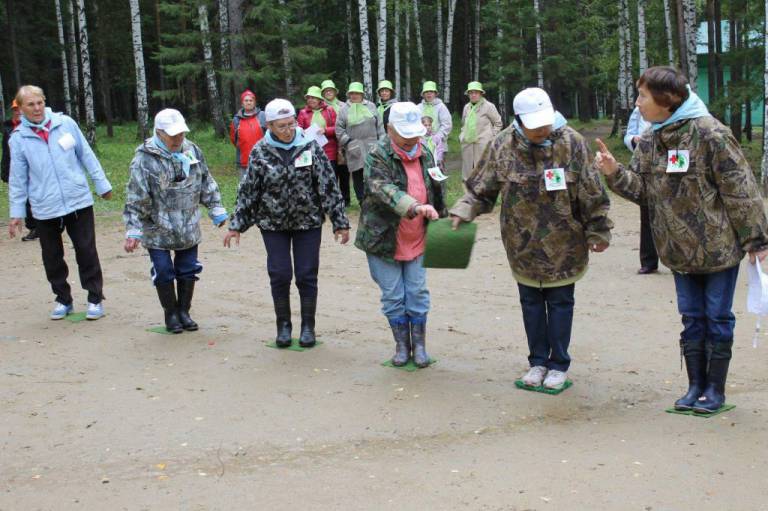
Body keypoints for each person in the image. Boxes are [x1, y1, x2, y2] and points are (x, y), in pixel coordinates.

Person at [595, 66, 768, 413]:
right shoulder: (651, 137)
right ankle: (694, 387)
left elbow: (741, 191)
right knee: (691, 318)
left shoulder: (710, 133)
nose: (637, 102)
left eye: (643, 95)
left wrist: (757, 241)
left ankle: (715, 391)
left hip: (716, 250)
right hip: (677, 251)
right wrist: (615, 172)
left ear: (667, 100)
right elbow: (645, 191)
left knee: (716, 318)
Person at [450, 87, 613, 389]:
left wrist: (598, 229)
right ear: (519, 121)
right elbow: (480, 188)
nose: (541, 130)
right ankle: (537, 362)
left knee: (561, 301)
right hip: (521, 242)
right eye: (534, 124)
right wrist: (463, 211)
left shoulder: (572, 143)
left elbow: (591, 191)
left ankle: (559, 365)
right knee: (531, 303)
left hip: (565, 242)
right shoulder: (502, 145)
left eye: (545, 122)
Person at [224, 99, 350, 348]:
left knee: (306, 275)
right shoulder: (260, 151)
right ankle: (283, 326)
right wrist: (236, 224)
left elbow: (328, 186)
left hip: (308, 222)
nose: (288, 130)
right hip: (273, 224)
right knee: (280, 274)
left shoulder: (310, 147)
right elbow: (249, 191)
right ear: (268, 125)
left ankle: (307, 327)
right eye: (281, 126)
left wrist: (339, 221)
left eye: (291, 124)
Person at [7, 85, 112, 320]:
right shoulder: (18, 139)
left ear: (45, 102)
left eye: (39, 103)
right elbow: (17, 178)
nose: (36, 108)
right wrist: (16, 213)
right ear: (21, 109)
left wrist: (102, 184)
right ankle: (63, 299)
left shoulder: (66, 124)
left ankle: (95, 298)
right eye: (30, 105)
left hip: (78, 200)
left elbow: (86, 155)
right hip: (45, 206)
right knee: (52, 257)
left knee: (86, 251)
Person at [355, 102, 447, 368]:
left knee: (417, 292)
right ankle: (401, 345)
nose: (411, 139)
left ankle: (419, 345)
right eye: (405, 134)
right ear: (389, 129)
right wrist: (415, 206)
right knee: (394, 295)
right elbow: (381, 187)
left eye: (415, 133)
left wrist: (445, 217)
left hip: (417, 237)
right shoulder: (376, 153)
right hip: (384, 239)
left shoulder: (425, 151)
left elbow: (436, 184)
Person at [123, 109, 228, 334]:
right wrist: (133, 230)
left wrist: (216, 207)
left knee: (188, 269)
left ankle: (184, 311)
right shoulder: (143, 158)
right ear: (159, 133)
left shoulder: (192, 150)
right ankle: (170, 313)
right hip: (157, 227)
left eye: (181, 133)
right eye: (172, 135)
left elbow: (205, 180)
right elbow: (135, 196)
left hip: (188, 224)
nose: (178, 139)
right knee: (163, 270)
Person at [335, 81, 383, 205]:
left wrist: (382, 142)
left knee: (373, 173)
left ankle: (375, 199)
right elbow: (339, 129)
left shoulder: (371, 106)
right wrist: (349, 142)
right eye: (352, 93)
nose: (354, 95)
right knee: (357, 174)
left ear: (362, 94)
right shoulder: (344, 109)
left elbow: (380, 126)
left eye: (357, 93)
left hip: (372, 145)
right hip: (353, 146)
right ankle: (362, 201)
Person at [623, 106, 658, 274]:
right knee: (647, 213)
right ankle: (648, 261)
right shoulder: (639, 110)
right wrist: (633, 140)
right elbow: (628, 136)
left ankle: (681, 261)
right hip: (645, 164)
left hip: (669, 166)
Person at [297, 86, 343, 203]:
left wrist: (326, 130)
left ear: (319, 99)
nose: (311, 100)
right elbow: (299, 128)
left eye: (314, 98)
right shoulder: (303, 112)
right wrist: (300, 131)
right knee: (312, 177)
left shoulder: (330, 110)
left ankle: (332, 201)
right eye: (309, 98)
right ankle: (316, 201)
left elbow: (338, 128)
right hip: (309, 151)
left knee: (330, 177)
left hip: (329, 149)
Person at [2, 99, 37, 241]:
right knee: (25, 198)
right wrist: (4, 170)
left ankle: (39, 225)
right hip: (15, 168)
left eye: (19, 108)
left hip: (32, 168)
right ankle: (34, 227)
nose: (17, 111)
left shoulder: (32, 126)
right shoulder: (8, 128)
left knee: (33, 198)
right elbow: (5, 152)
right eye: (15, 109)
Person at [459, 81, 502, 180]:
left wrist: (491, 137)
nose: (473, 95)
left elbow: (498, 123)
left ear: (481, 93)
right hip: (468, 144)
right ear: (468, 94)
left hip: (482, 144)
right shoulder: (466, 107)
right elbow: (463, 124)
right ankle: (468, 191)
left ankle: (482, 191)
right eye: (471, 92)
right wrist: (462, 135)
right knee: (468, 172)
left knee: (483, 171)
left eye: (476, 92)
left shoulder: (488, 106)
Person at [322, 79, 351, 205]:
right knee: (330, 173)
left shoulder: (343, 105)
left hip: (342, 143)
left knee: (344, 172)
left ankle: (346, 199)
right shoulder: (320, 107)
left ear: (335, 92)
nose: (329, 92)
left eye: (331, 90)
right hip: (327, 144)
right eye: (326, 90)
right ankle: (332, 199)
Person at [229, 89, 266, 179]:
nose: (248, 103)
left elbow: (270, 135)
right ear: (242, 103)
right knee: (245, 188)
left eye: (251, 100)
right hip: (243, 162)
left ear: (254, 102)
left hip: (262, 159)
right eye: (246, 100)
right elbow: (234, 139)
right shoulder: (236, 120)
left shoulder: (263, 116)